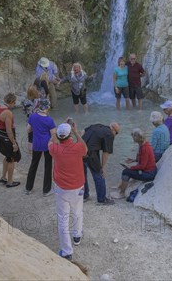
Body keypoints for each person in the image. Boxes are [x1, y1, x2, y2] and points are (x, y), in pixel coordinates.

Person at [49, 120, 88, 261]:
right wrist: (76, 131)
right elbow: (85, 148)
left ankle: (67, 251)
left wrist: (54, 133)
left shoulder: (55, 149)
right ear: (70, 135)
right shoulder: (78, 148)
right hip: (77, 187)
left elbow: (50, 142)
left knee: (63, 219)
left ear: (59, 137)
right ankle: (77, 236)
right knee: (78, 211)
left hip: (61, 188)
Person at [83, 122, 120, 205]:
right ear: (113, 129)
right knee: (99, 174)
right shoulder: (109, 134)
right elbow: (106, 152)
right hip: (91, 152)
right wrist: (103, 167)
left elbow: (83, 132)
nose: (115, 135)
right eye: (116, 133)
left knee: (82, 174)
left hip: (80, 148)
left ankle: (85, 195)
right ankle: (101, 199)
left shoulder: (97, 125)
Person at [25, 98, 56, 196]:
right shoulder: (49, 120)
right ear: (47, 107)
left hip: (36, 143)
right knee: (48, 166)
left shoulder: (33, 117)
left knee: (33, 164)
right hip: (47, 145)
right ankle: (46, 190)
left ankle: (28, 188)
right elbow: (53, 135)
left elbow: (28, 130)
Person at [116, 129, 157, 198]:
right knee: (131, 169)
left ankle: (121, 193)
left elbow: (142, 166)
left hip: (149, 174)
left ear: (137, 138)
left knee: (125, 172)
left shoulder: (145, 148)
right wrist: (133, 160)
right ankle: (121, 186)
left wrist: (130, 167)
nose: (132, 138)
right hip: (150, 170)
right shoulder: (144, 144)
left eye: (133, 137)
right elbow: (144, 159)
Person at [0, 93, 21, 188]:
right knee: (11, 159)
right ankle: (10, 182)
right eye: (14, 103)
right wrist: (14, 143)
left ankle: (3, 177)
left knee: (7, 157)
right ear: (12, 102)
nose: (14, 105)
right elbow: (9, 130)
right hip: (5, 138)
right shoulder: (7, 113)